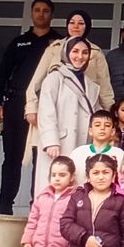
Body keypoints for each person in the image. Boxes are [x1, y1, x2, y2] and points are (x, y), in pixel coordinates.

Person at [0, 0, 62, 214]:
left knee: (42, 156)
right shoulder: (19, 42)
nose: (41, 14)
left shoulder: (57, 43)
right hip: (16, 102)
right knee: (12, 155)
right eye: (37, 10)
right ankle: (4, 203)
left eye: (46, 10)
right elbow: (2, 72)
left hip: (46, 104)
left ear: (52, 14)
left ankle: (37, 206)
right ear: (32, 13)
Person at [25, 9, 115, 136]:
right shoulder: (54, 49)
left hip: (84, 112)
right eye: (72, 22)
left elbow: (105, 89)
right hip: (55, 109)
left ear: (88, 26)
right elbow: (35, 82)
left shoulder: (96, 53)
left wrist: (110, 115)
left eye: (81, 23)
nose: (76, 26)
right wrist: (31, 108)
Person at [36, 37, 105, 193]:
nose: (80, 56)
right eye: (75, 51)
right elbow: (46, 111)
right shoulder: (54, 78)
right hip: (59, 143)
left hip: (82, 143)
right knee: (53, 188)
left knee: (76, 186)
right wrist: (51, 140)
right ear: (66, 52)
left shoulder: (91, 85)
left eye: (85, 52)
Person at [69, 110, 124, 180]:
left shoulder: (120, 154)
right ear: (90, 131)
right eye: (97, 125)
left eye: (107, 125)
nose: (102, 128)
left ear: (113, 131)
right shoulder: (77, 153)